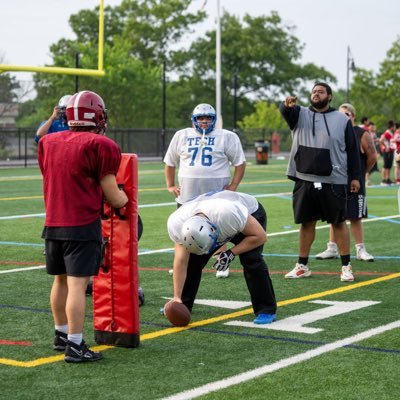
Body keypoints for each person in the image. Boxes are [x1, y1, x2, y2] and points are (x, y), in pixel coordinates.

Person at [37, 90, 128, 363]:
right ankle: (75, 345)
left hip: (53, 222)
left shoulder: (48, 142)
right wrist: (127, 200)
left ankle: (61, 334)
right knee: (78, 285)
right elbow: (113, 194)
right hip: (81, 224)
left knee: (60, 280)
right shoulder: (102, 144)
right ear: (98, 116)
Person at [279, 82, 361, 282]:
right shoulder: (300, 114)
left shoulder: (342, 120)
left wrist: (355, 177)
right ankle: (302, 266)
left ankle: (346, 267)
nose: (316, 94)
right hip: (305, 178)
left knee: (339, 222)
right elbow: (286, 111)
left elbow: (352, 150)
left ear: (330, 96)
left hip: (334, 179)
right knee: (306, 223)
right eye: (314, 91)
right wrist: (286, 105)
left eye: (321, 91)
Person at [166, 190, 277, 324]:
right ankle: (182, 303)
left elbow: (260, 237)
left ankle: (266, 309)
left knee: (252, 260)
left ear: (215, 232)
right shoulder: (176, 224)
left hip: (249, 215)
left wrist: (230, 253)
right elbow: (181, 262)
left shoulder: (228, 215)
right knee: (193, 262)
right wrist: (176, 297)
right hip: (216, 216)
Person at [164, 103, 246, 278]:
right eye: (200, 118)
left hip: (215, 194)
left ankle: (221, 262)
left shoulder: (226, 136)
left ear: (214, 119)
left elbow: (240, 162)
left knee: (218, 229)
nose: (204, 121)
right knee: (183, 232)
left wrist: (233, 186)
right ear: (194, 119)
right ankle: (181, 264)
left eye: (208, 117)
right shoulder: (182, 135)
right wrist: (170, 184)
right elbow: (170, 161)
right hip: (188, 195)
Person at [316, 103, 377, 262]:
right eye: (341, 114)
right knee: (335, 214)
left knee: (356, 216)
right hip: (336, 179)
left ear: (353, 116)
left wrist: (361, 173)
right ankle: (332, 248)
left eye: (347, 114)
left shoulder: (361, 133)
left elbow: (372, 157)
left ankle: (360, 249)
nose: (344, 117)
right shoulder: (335, 132)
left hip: (355, 180)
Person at [379, 120, 395, 185]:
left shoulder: (391, 133)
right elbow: (381, 140)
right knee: (385, 165)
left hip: (391, 151)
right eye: (394, 126)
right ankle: (383, 179)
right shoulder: (387, 133)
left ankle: (388, 179)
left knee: (389, 165)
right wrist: (386, 147)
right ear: (391, 126)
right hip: (387, 151)